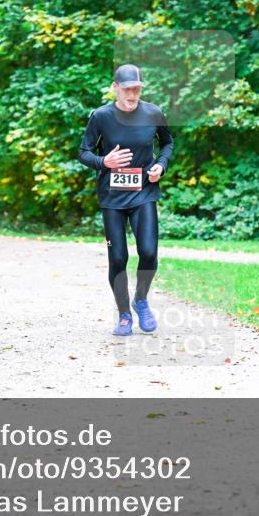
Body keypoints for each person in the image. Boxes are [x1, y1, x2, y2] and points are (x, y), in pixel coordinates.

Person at [78, 64, 173, 336]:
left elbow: (167, 143)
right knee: (118, 257)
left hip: (143, 192)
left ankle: (140, 299)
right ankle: (123, 315)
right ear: (115, 87)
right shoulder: (101, 116)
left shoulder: (153, 113)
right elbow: (83, 152)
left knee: (149, 252)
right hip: (112, 197)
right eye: (127, 88)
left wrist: (161, 166)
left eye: (137, 89)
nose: (132, 94)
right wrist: (103, 161)